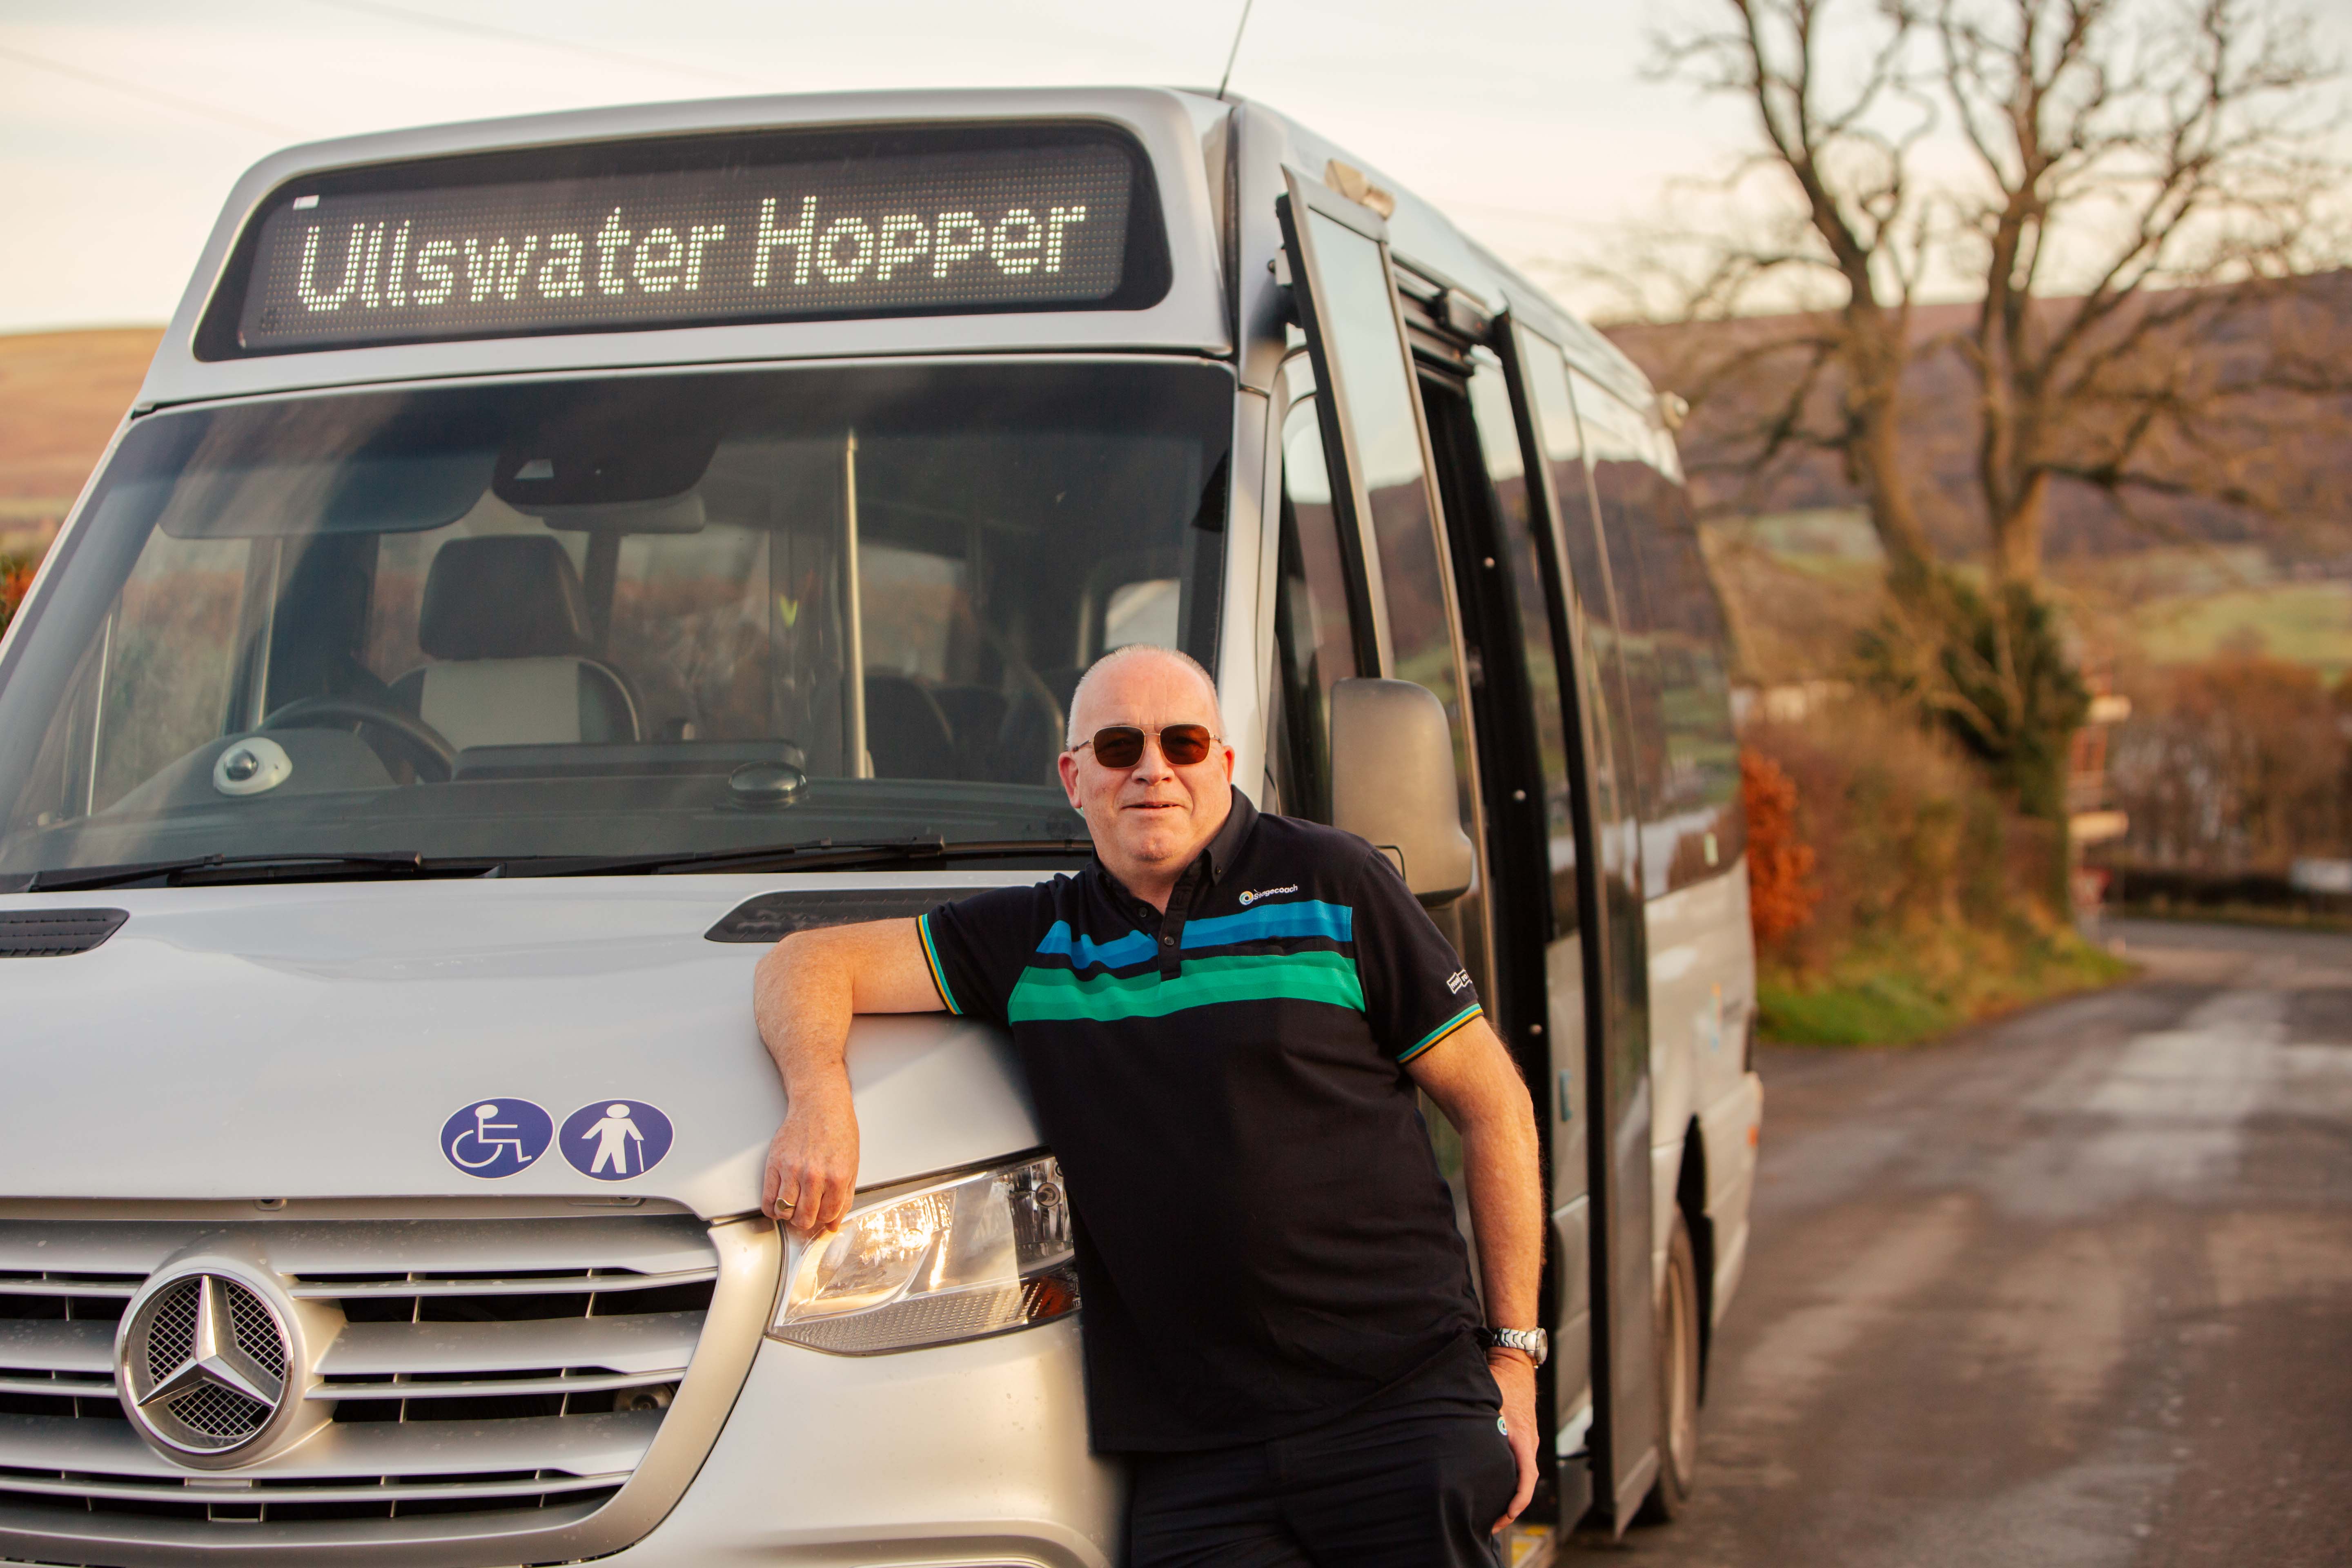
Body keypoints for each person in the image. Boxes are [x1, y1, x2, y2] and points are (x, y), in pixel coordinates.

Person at [755, 644, 1546, 1567]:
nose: (1153, 770)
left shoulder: (1337, 881)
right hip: (1198, 1463)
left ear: (1225, 762)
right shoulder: (1037, 938)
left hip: (1400, 1415)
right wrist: (819, 1100)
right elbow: (805, 964)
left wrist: (1513, 1358)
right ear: (1074, 778)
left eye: (1183, 743)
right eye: (1120, 747)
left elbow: (1496, 1108)